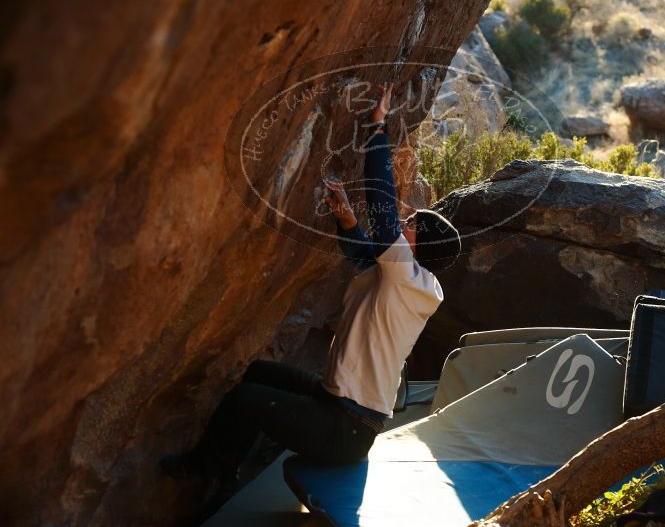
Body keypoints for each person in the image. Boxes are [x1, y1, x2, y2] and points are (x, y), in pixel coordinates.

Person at [159, 82, 461, 503]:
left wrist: (377, 128)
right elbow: (361, 257)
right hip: (335, 405)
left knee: (247, 399)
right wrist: (348, 223)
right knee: (258, 374)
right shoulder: (405, 281)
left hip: (345, 430)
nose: (405, 221)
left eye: (412, 224)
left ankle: (208, 471)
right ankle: (232, 461)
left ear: (418, 245)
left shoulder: (408, 278)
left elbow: (383, 204)